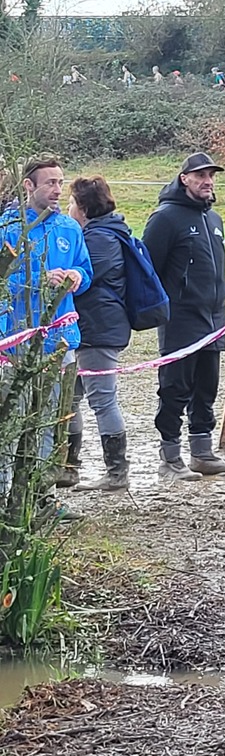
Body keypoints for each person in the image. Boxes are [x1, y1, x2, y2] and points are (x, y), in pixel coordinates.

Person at [142, 151, 225, 480]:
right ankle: (170, 457)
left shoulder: (214, 220)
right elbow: (149, 269)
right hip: (180, 319)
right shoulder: (165, 218)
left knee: (206, 388)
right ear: (184, 178)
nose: (207, 181)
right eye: (200, 175)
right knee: (175, 388)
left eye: (210, 175)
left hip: (213, 317)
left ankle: (202, 452)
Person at [0, 160, 90, 504]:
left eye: (60, 182)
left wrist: (77, 276)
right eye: (50, 182)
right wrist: (37, 280)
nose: (57, 190)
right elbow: (2, 281)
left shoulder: (70, 228)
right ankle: (7, 499)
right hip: (17, 340)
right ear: (28, 185)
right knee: (13, 421)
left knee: (51, 421)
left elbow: (86, 270)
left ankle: (43, 498)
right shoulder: (9, 228)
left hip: (59, 341)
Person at [66, 176, 133, 490]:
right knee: (69, 398)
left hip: (97, 328)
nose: (68, 208)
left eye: (71, 203)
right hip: (89, 327)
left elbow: (83, 282)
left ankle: (116, 472)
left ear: (83, 207)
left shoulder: (98, 240)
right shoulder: (105, 232)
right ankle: (69, 467)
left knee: (102, 400)